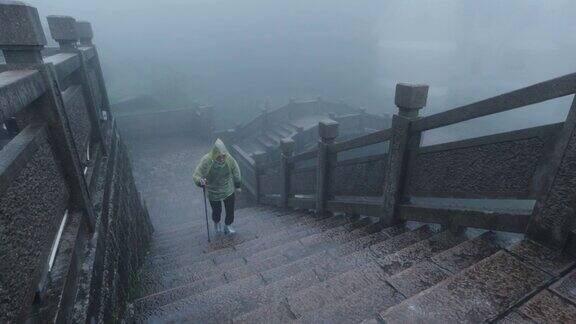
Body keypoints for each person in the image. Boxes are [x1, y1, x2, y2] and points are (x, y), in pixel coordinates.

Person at [193, 139, 242, 235]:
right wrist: (200, 181)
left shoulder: (229, 159)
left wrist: (237, 184)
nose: (222, 159)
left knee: (230, 209)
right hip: (213, 190)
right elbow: (196, 174)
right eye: (219, 157)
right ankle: (217, 222)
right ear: (214, 154)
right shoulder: (207, 160)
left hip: (227, 188)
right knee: (216, 210)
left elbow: (236, 171)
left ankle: (228, 225)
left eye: (223, 156)